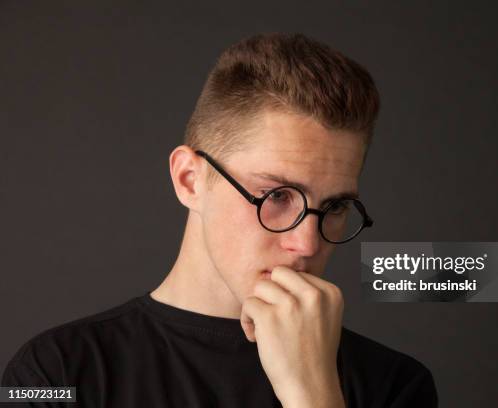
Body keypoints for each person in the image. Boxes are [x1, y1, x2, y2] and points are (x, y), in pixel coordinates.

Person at [1, 32, 437, 407]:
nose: (307, 243)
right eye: (278, 195)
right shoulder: (53, 374)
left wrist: (314, 394)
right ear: (190, 180)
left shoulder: (394, 386)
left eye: (336, 206)